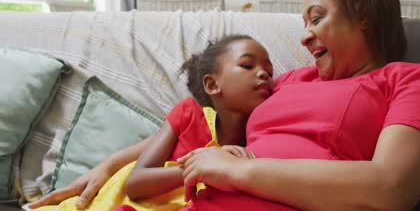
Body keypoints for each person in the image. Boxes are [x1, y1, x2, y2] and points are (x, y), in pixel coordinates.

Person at [31, 0, 420, 211]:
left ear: (363, 13)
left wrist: (240, 170)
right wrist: (109, 166)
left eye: (316, 18)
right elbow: (198, 124)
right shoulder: (288, 81)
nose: (305, 37)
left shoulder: (412, 81)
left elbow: (391, 188)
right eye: (303, 23)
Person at [30, 35, 273, 210]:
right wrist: (203, 167)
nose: (264, 74)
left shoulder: (265, 137)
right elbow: (136, 183)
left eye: (269, 71)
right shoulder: (189, 114)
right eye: (247, 65)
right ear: (212, 84)